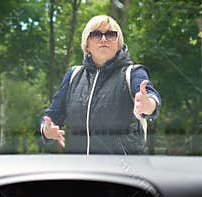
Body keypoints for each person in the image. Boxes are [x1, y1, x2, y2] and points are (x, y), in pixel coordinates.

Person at [40, 15, 161, 154]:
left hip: (122, 173)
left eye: (110, 34)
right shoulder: (73, 75)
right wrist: (46, 130)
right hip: (79, 170)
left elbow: (151, 97)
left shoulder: (133, 73)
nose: (103, 39)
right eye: (96, 34)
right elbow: (53, 114)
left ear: (118, 43)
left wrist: (149, 105)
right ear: (87, 44)